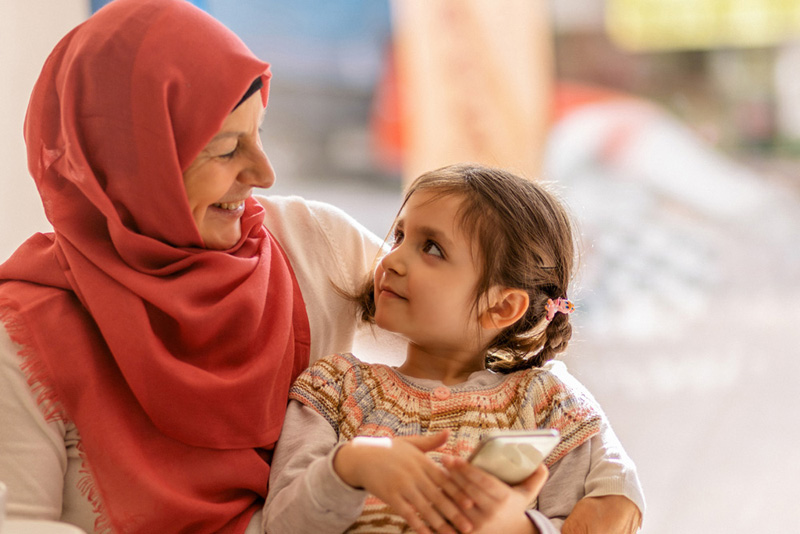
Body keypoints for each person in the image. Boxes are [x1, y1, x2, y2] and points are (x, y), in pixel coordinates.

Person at [0, 1, 641, 533]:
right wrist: (355, 466)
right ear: (136, 163)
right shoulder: (26, 334)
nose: (262, 174)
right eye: (227, 150)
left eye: (260, 135)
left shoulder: (310, 246)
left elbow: (475, 324)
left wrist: (515, 521)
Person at [263, 164, 645, 534]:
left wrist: (514, 528)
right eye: (398, 236)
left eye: (432, 248)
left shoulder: (550, 405)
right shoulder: (334, 387)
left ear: (502, 307)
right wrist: (351, 467)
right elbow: (280, 525)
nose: (392, 259)